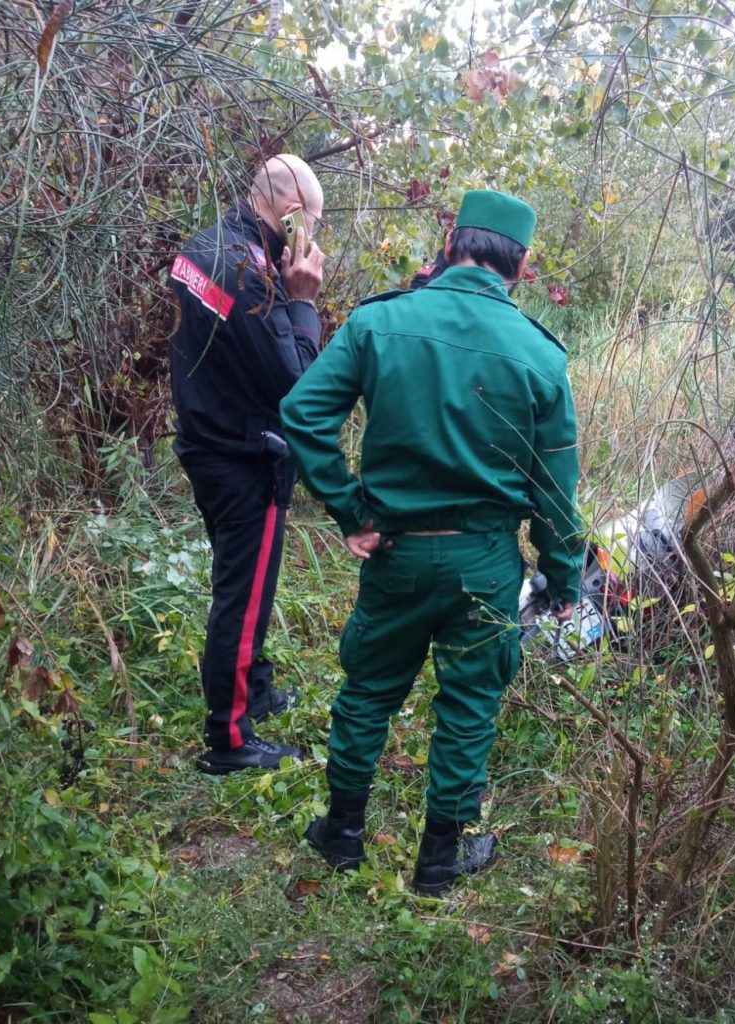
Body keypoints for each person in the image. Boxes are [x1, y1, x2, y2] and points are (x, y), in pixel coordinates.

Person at [280, 189, 582, 895]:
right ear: (523, 266)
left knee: (368, 691)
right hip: (485, 561)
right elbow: (555, 494)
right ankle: (438, 864)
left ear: (451, 241)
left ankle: (342, 838)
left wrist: (353, 512)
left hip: (397, 552)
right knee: (470, 703)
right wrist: (563, 578)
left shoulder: (381, 323)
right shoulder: (539, 357)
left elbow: (303, 414)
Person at [169, 154, 326, 774]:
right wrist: (302, 299)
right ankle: (229, 738)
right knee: (243, 591)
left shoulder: (206, 246)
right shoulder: (247, 271)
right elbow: (299, 383)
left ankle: (254, 689)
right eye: (314, 224)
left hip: (210, 439)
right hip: (242, 455)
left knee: (246, 582)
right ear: (292, 217)